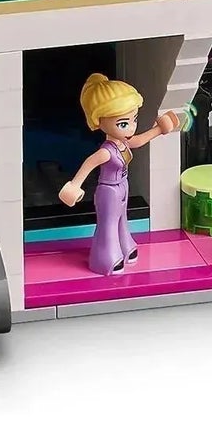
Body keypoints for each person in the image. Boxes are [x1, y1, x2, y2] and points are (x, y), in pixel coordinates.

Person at [58, 73, 182, 276]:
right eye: (123, 124)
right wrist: (74, 185)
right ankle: (106, 259)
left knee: (122, 219)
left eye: (134, 120)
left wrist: (160, 129)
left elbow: (139, 140)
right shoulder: (106, 151)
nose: (131, 128)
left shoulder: (124, 142)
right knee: (108, 223)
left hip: (122, 186)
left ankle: (125, 247)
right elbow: (88, 164)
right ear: (99, 121)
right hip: (108, 191)